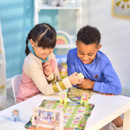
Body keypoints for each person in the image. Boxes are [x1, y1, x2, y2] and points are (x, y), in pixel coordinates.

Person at [67, 25, 123, 127]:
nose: (85, 58)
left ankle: (114, 119)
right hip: (82, 94)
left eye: (90, 54)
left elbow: (116, 88)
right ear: (76, 44)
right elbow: (72, 82)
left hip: (101, 94)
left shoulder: (103, 62)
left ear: (98, 48)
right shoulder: (71, 55)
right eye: (81, 52)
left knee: (116, 123)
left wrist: (92, 85)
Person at [16, 23, 83, 103]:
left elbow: (57, 81)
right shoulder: (31, 63)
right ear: (32, 43)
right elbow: (46, 90)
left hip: (44, 97)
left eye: (51, 47)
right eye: (43, 48)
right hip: (28, 101)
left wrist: (50, 75)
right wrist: (69, 81)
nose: (47, 52)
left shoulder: (51, 56)